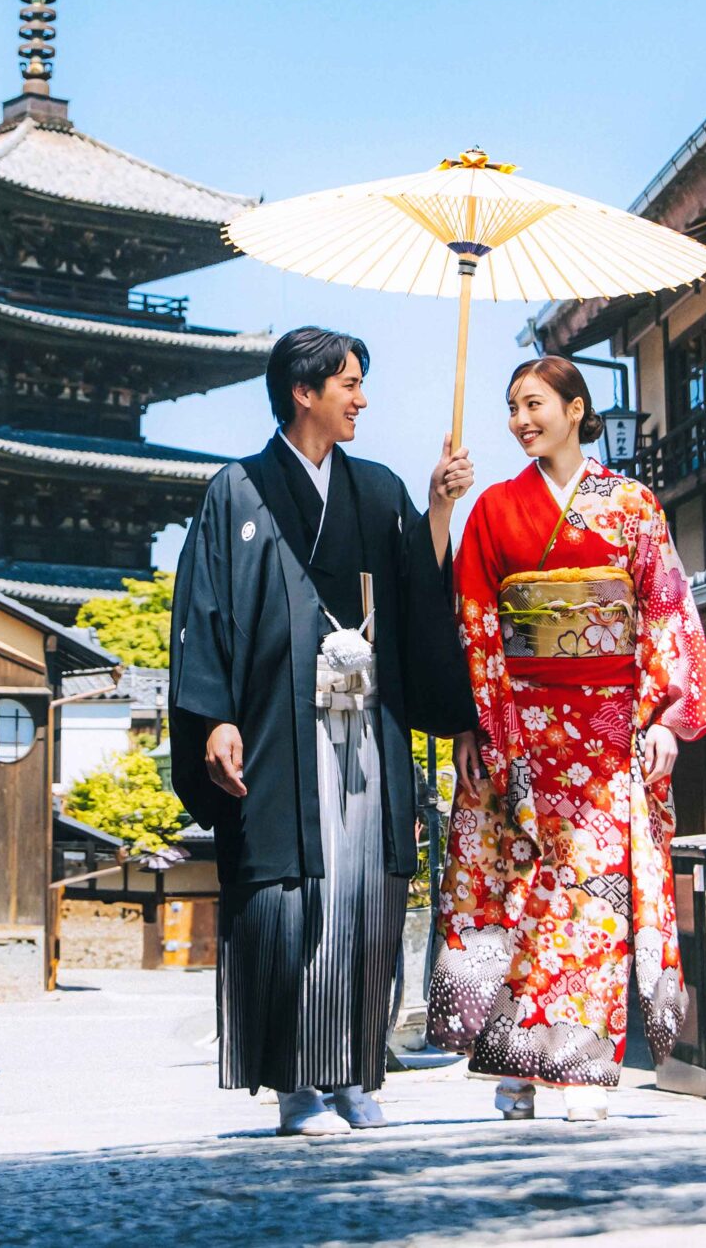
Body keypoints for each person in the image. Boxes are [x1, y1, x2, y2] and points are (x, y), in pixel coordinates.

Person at [168, 327, 478, 1136]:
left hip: (364, 731)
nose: (362, 398)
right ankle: (295, 1084)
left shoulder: (377, 491)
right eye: (349, 383)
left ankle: (354, 1071)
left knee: (365, 894)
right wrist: (214, 719)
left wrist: (438, 505)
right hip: (277, 731)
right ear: (303, 392)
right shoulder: (235, 491)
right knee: (291, 899)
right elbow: (204, 613)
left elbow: (415, 600)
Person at [426, 355, 706, 1122]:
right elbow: (472, 624)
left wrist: (667, 719)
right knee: (523, 896)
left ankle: (584, 1069)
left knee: (595, 901)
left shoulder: (632, 504)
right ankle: (519, 1068)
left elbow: (665, 612)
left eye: (534, 404)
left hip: (605, 735)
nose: (520, 419)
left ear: (575, 406)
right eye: (512, 406)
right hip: (519, 731)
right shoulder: (493, 510)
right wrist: (472, 721)